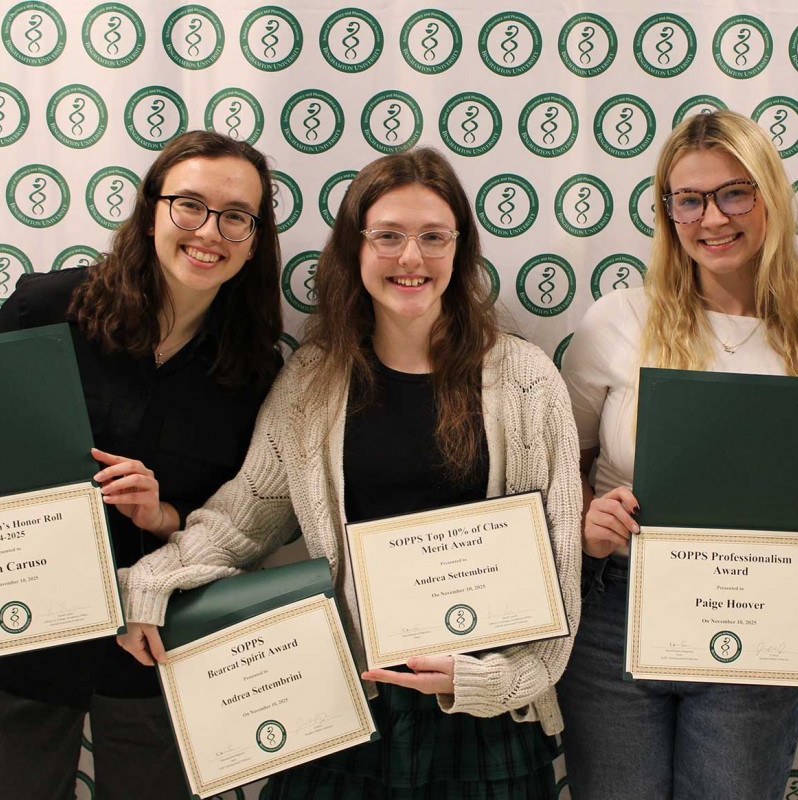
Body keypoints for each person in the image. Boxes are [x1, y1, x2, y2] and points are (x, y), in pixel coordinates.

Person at [114, 146, 582, 799]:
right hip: (338, 706)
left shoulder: (526, 381)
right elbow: (243, 517)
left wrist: (491, 680)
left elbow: (560, 570)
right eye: (387, 236)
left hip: (483, 718)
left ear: (460, 249)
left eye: (432, 237)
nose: (410, 258)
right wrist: (150, 584)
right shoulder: (313, 381)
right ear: (354, 250)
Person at [0, 130, 284, 798]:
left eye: (236, 215)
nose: (210, 231)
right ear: (152, 209)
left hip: (150, 651)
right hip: (16, 643)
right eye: (190, 205)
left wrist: (162, 514)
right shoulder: (48, 309)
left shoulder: (254, 368)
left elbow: (240, 522)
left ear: (255, 234)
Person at [554, 110, 798, 799]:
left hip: (759, 620)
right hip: (617, 613)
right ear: (667, 212)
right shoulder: (616, 320)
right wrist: (583, 516)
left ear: (769, 198)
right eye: (686, 199)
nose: (710, 218)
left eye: (733, 192)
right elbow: (557, 463)